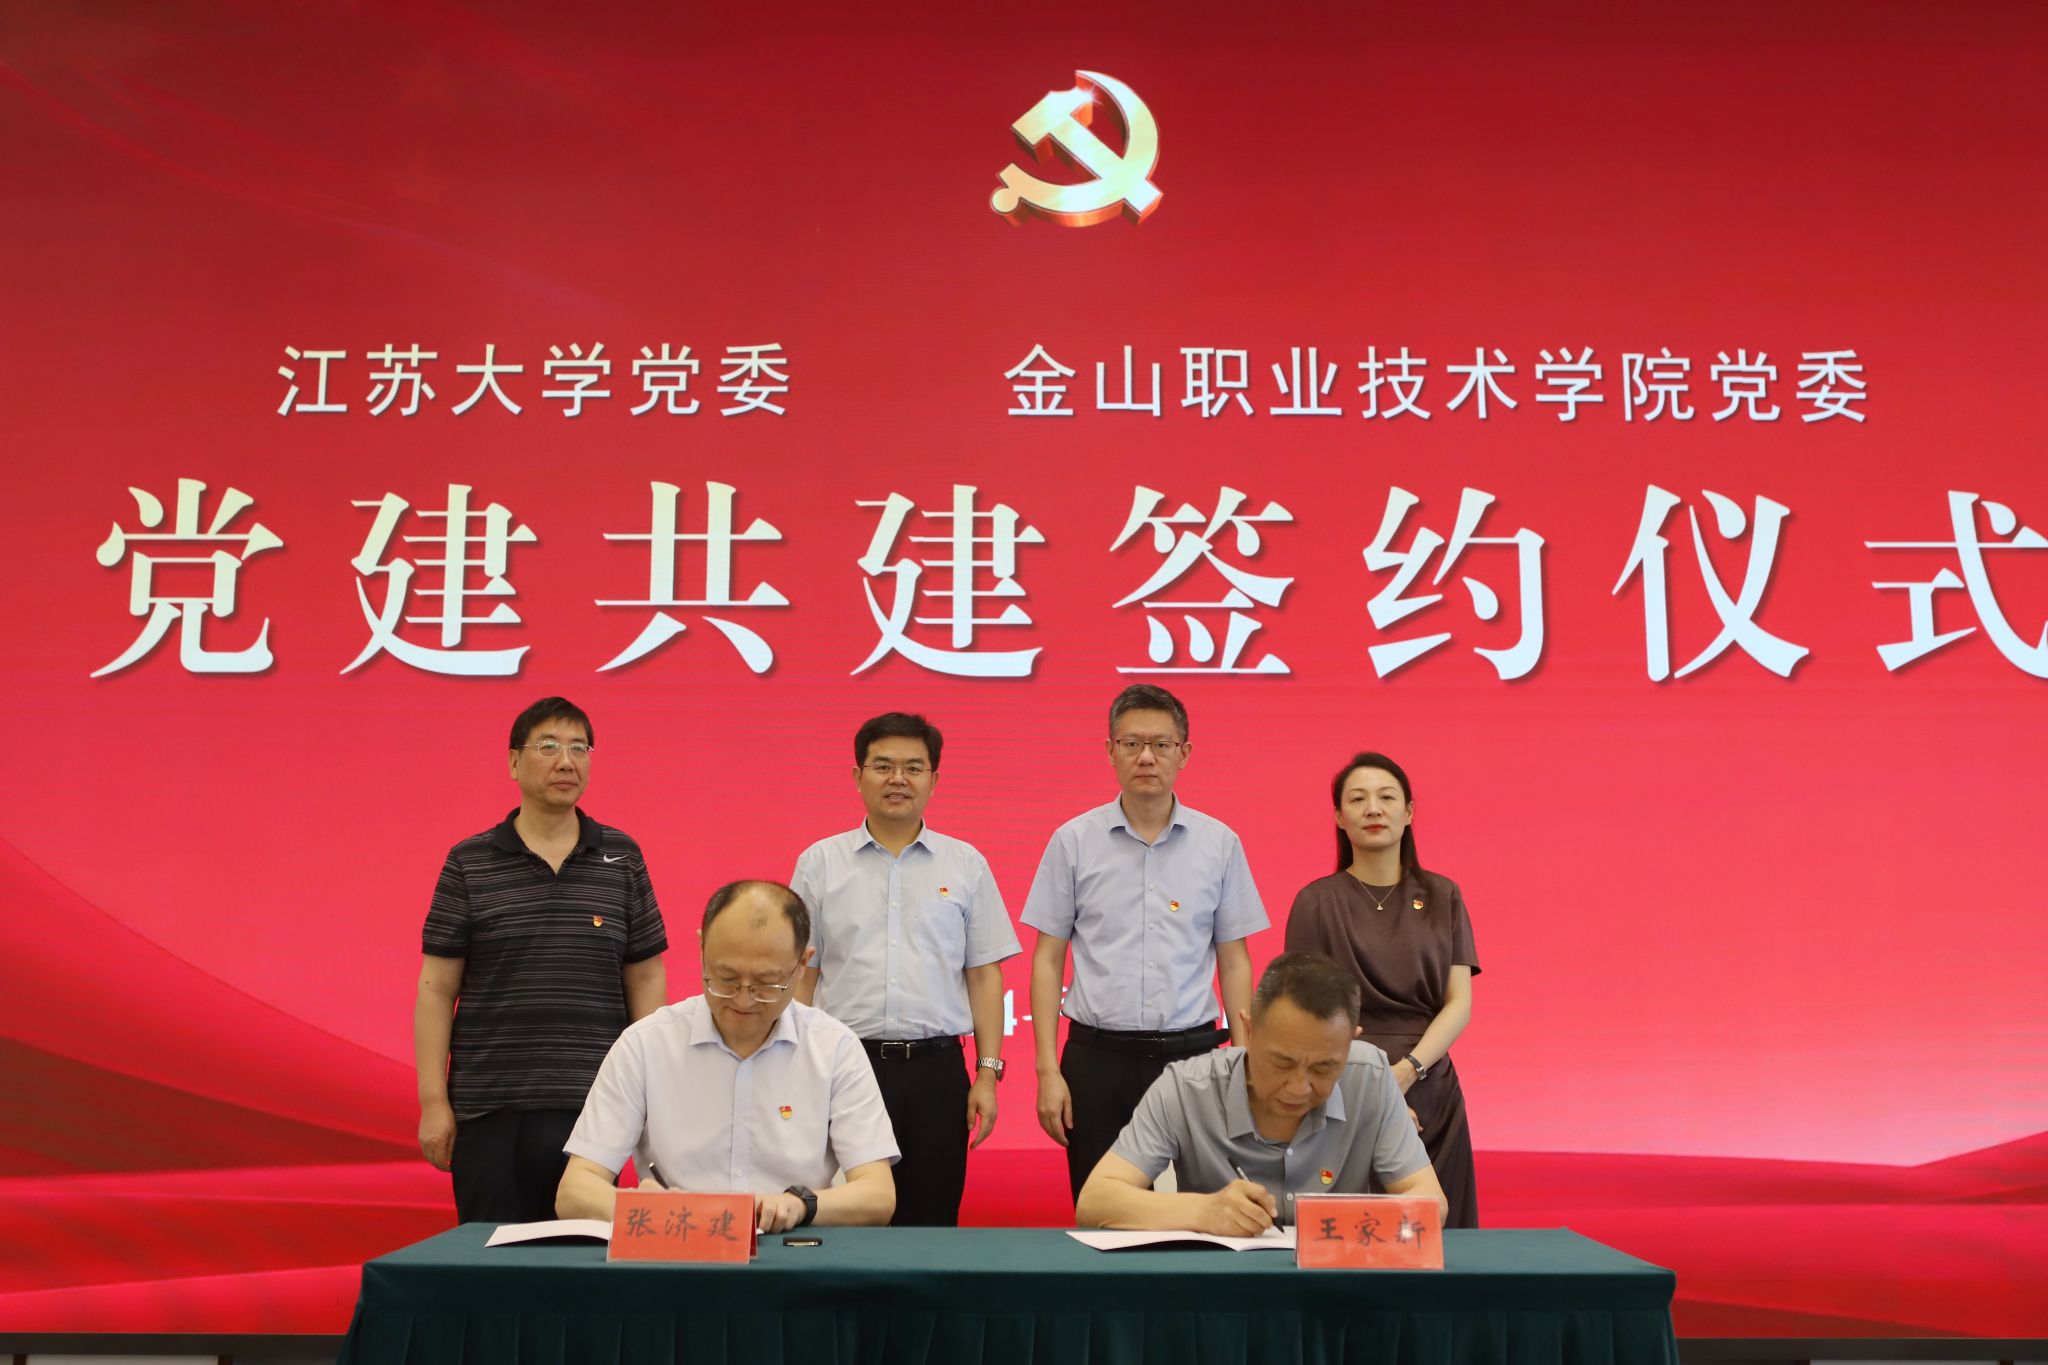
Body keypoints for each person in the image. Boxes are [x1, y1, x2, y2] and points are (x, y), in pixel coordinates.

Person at [414, 697, 668, 1225]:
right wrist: (434, 1104)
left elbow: (645, 977)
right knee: (491, 1259)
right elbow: (437, 990)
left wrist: (648, 1091)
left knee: (581, 1257)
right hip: (490, 1108)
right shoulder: (469, 861)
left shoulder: (621, 857)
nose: (566, 762)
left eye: (580, 748)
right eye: (548, 747)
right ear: (514, 762)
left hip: (593, 1108)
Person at [1023, 683, 1269, 1204]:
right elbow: (1047, 961)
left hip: (1194, 1059)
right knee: (1104, 1210)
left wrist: (1244, 1062)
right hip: (1096, 1060)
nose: (1147, 757)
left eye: (1162, 744)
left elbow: (1234, 962)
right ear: (1110, 751)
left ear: (1185, 753)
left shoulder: (1219, 844)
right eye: (1132, 743)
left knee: (1206, 1209)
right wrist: (1047, 1070)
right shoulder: (1073, 841)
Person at [556, 880, 898, 1230]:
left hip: (792, 1248)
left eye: (766, 984)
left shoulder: (835, 1048)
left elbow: (878, 1195)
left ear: (802, 964)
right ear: (702, 948)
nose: (743, 1000)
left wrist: (800, 1205)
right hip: (676, 1245)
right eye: (725, 978)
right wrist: (648, 1208)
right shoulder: (646, 1045)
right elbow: (574, 1191)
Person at [791, 712, 1021, 1226]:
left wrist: (987, 1074)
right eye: (883, 766)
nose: (898, 779)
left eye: (914, 768)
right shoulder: (820, 863)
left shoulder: (965, 863)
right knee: (841, 1216)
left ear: (934, 779)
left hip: (937, 1072)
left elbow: (984, 974)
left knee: (932, 1219)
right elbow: (803, 973)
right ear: (858, 776)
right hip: (846, 1066)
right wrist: (796, 1066)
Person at [1076, 953, 1448, 1232]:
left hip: (1335, 1292)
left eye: (1323, 1068)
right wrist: (1204, 1212)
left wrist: (1336, 1227)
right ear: (1249, 1031)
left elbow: (1431, 1202)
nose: (1299, 1087)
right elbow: (1095, 1201)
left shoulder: (1370, 1076)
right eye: (1282, 1063)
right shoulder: (1187, 1088)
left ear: (1350, 1043)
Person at [1283, 752, 1481, 1227]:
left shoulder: (1444, 895)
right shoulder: (1315, 901)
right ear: (1339, 817)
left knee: (1443, 1241)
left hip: (1431, 1083)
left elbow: (1458, 1003)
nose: (1373, 808)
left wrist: (1409, 1072)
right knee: (1354, 1236)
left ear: (1408, 812)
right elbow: (1304, 1015)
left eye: (1387, 797)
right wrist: (1368, 1087)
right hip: (1343, 1084)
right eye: (1358, 799)